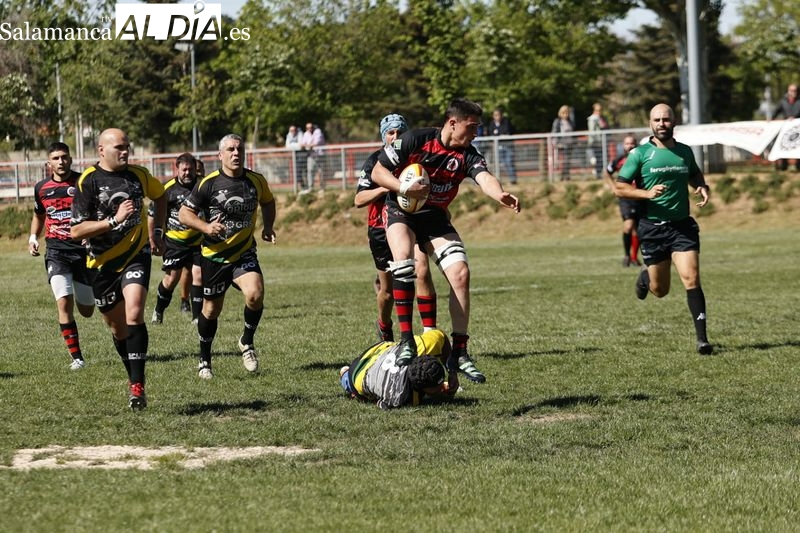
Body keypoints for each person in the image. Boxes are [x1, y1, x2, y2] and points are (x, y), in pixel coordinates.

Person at [371, 97, 521, 383]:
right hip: (400, 210)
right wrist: (403, 187)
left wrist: (500, 194)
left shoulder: (468, 154)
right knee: (404, 262)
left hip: (435, 216)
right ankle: (406, 341)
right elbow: (378, 172)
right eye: (473, 126)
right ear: (453, 123)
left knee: (460, 273)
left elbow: (484, 177)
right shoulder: (416, 139)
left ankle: (460, 352)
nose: (476, 133)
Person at [70, 128, 167, 409]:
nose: (125, 152)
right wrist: (114, 220)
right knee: (117, 329)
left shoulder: (138, 175)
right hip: (100, 265)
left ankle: (138, 388)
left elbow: (161, 196)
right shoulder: (88, 181)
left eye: (127, 147)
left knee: (134, 311)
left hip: (137, 255)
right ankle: (132, 377)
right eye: (119, 148)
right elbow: (77, 231)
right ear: (101, 150)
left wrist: (157, 230)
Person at [614, 103, 713, 355]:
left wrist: (701, 185)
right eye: (657, 120)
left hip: (682, 226)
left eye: (666, 119)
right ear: (650, 124)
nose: (661, 124)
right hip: (653, 229)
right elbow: (619, 187)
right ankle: (646, 277)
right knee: (660, 290)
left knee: (691, 278)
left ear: (674, 121)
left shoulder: (684, 152)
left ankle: (702, 340)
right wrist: (646, 193)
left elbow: (694, 174)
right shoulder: (639, 154)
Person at [179, 133, 277, 380]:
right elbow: (184, 214)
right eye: (230, 150)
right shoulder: (208, 184)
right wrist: (206, 227)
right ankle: (204, 359)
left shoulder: (255, 180)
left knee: (255, 294)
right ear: (220, 155)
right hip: (214, 257)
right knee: (211, 310)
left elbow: (268, 201)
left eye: (239, 149)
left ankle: (246, 342)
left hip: (244, 253)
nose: (236, 153)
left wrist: (267, 227)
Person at [354, 113, 437, 342]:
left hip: (410, 223)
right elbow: (359, 200)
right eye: (390, 133)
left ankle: (430, 334)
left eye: (400, 132)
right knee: (388, 292)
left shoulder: (416, 161)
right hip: (380, 229)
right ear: (384, 136)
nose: (395, 136)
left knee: (422, 272)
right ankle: (384, 325)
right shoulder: (375, 162)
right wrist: (390, 187)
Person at [29, 142, 95, 370]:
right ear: (49, 163)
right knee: (63, 302)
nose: (61, 162)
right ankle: (77, 357)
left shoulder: (83, 182)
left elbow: (96, 211)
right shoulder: (41, 188)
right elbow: (39, 214)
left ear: (71, 159)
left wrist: (92, 233)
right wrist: (33, 237)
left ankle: (83, 292)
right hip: (56, 252)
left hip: (83, 252)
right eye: (56, 158)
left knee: (86, 310)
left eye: (64, 157)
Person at [338, 329, 458, 409]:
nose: (440, 387)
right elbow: (380, 404)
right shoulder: (397, 395)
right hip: (358, 374)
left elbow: (441, 336)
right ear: (418, 388)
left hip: (381, 351)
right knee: (355, 387)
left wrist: (452, 372)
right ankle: (344, 375)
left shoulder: (424, 346)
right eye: (436, 388)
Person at [148, 152, 202, 325]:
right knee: (172, 279)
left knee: (198, 275)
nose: (188, 173)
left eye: (191, 169)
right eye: (184, 169)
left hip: (198, 241)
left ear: (196, 169)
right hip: (174, 242)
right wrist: (153, 238)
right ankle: (158, 310)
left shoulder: (203, 186)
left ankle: (197, 317)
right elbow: (151, 214)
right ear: (177, 169)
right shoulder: (167, 189)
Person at [604, 135, 642, 267]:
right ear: (623, 145)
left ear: (636, 144)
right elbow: (607, 173)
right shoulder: (619, 160)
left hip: (640, 196)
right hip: (626, 198)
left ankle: (633, 257)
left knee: (638, 230)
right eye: (627, 144)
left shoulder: (642, 158)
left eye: (632, 143)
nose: (629, 146)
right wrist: (613, 187)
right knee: (628, 225)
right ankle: (626, 255)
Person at [772, 84, 800, 171]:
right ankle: (783, 166)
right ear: (788, 91)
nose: (793, 92)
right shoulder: (782, 102)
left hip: (798, 129)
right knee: (784, 145)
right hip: (786, 129)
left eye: (795, 90)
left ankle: (798, 166)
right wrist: (771, 120)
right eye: (791, 90)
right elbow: (775, 112)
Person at [488, 107, 518, 184]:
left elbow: (507, 131)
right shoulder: (491, 124)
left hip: (507, 145)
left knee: (509, 161)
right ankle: (499, 180)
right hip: (498, 146)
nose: (497, 117)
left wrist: (497, 133)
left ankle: (513, 180)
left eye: (498, 115)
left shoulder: (506, 122)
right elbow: (491, 133)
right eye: (495, 115)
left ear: (501, 115)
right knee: (502, 163)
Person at [551, 105, 575, 180]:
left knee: (567, 160)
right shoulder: (557, 122)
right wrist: (555, 142)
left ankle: (566, 175)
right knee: (563, 160)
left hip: (569, 143)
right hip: (561, 144)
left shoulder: (570, 122)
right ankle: (563, 175)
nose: (566, 115)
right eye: (564, 113)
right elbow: (554, 132)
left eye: (567, 113)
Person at [587, 102, 610, 179]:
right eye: (597, 110)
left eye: (600, 110)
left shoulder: (601, 118)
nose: (599, 111)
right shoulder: (592, 119)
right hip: (595, 142)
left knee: (601, 159)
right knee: (595, 159)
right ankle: (597, 174)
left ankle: (599, 174)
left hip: (601, 142)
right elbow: (592, 131)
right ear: (594, 110)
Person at [301, 122, 325, 192]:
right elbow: (303, 144)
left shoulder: (318, 132)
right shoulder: (306, 134)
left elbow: (316, 143)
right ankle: (310, 187)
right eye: (308, 128)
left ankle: (322, 187)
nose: (309, 129)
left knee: (321, 171)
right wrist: (308, 145)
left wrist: (308, 145)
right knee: (310, 171)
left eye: (311, 127)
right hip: (311, 155)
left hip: (319, 155)